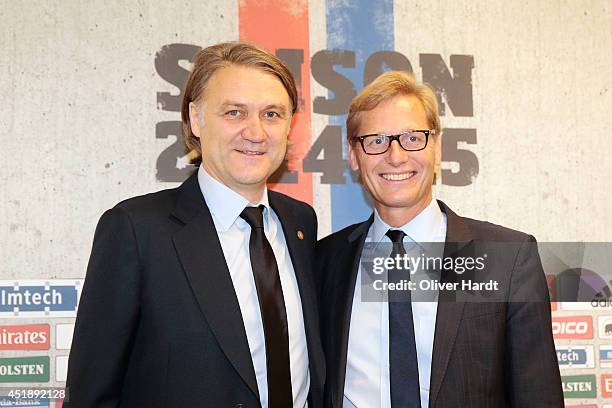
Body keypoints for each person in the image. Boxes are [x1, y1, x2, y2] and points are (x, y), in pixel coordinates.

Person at [65, 42, 324, 408]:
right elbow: (92, 394)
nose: (255, 131)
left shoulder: (300, 224)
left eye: (272, 114)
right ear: (196, 119)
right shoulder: (136, 231)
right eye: (234, 113)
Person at [315, 71, 563, 407]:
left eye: (412, 138)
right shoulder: (325, 261)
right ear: (354, 157)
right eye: (376, 141)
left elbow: (538, 397)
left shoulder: (507, 258)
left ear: (437, 149)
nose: (396, 156)